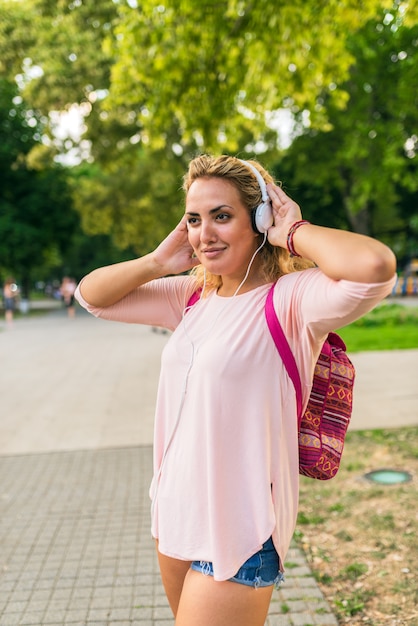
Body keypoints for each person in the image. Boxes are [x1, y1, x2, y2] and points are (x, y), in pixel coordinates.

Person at [75, 155, 396, 626]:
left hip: (239, 532)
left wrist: (293, 230)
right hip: (175, 516)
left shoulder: (291, 301)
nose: (205, 234)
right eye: (194, 219)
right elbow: (91, 296)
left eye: (222, 216)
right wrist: (159, 261)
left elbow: (373, 266)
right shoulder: (190, 298)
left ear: (259, 220)